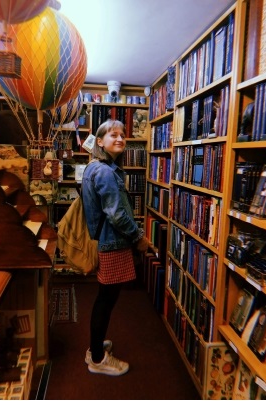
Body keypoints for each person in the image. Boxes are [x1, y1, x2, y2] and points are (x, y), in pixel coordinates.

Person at [81, 119, 151, 376]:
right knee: (105, 301)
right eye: (113, 134)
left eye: (123, 134)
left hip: (107, 241)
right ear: (100, 141)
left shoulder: (95, 167)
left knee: (104, 299)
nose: (121, 138)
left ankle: (95, 347)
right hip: (113, 243)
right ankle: (98, 358)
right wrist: (138, 238)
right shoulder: (106, 172)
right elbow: (117, 214)